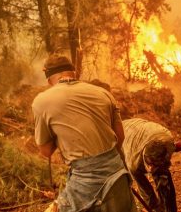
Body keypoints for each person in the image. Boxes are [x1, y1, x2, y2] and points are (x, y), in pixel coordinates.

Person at [32, 54, 136, 212]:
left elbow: (46, 151)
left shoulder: (42, 101)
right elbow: (120, 138)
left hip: (83, 185)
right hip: (117, 178)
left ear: (49, 80)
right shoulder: (104, 94)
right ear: (74, 73)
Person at [122, 118, 177, 212]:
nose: (150, 169)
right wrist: (154, 206)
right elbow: (144, 188)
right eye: (149, 164)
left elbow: (163, 174)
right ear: (144, 155)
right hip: (124, 131)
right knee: (147, 194)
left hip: (151, 131)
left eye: (154, 165)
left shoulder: (169, 144)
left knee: (163, 177)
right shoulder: (134, 162)